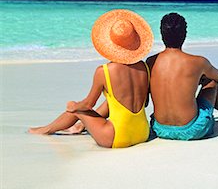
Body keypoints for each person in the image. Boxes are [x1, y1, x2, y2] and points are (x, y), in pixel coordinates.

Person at [29, 9, 154, 149]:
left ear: (110, 43)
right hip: (142, 132)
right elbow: (145, 102)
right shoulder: (144, 67)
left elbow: (88, 105)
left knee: (77, 110)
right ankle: (79, 126)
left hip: (117, 137)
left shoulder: (104, 71)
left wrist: (73, 106)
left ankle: (46, 130)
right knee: (112, 101)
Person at [146, 13, 218, 141]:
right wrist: (198, 76)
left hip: (160, 129)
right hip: (192, 130)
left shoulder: (150, 61)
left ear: (162, 34)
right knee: (211, 80)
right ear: (184, 34)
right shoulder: (198, 62)